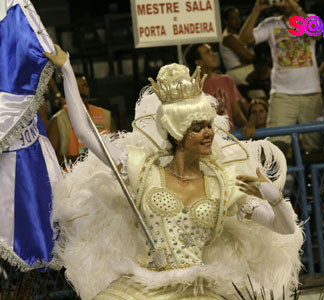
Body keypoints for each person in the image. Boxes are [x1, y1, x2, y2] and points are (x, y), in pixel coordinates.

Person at [44, 45, 303, 300]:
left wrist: (274, 198)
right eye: (198, 127)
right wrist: (67, 70)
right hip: (147, 286)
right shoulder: (143, 171)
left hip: (199, 289)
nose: (209, 133)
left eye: (209, 125)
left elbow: (284, 227)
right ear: (178, 134)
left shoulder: (222, 184)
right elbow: (86, 133)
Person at [239, 0, 323, 153]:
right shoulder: (271, 24)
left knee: (315, 146)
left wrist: (296, 8)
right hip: (282, 94)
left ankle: (312, 177)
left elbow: (317, 34)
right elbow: (244, 40)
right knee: (277, 146)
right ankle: (282, 177)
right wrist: (256, 10)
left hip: (311, 92)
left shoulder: (310, 18)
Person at [184, 43, 254, 137]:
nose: (214, 54)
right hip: (207, 139)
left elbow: (236, 112)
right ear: (199, 62)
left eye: (212, 50)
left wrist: (246, 125)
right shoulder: (190, 87)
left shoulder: (226, 80)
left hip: (230, 137)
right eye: (208, 52)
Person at [47, 73, 116, 164]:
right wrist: (80, 160)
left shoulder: (105, 116)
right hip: (73, 176)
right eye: (76, 87)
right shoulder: (57, 121)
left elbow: (117, 149)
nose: (81, 92)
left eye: (84, 86)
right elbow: (48, 158)